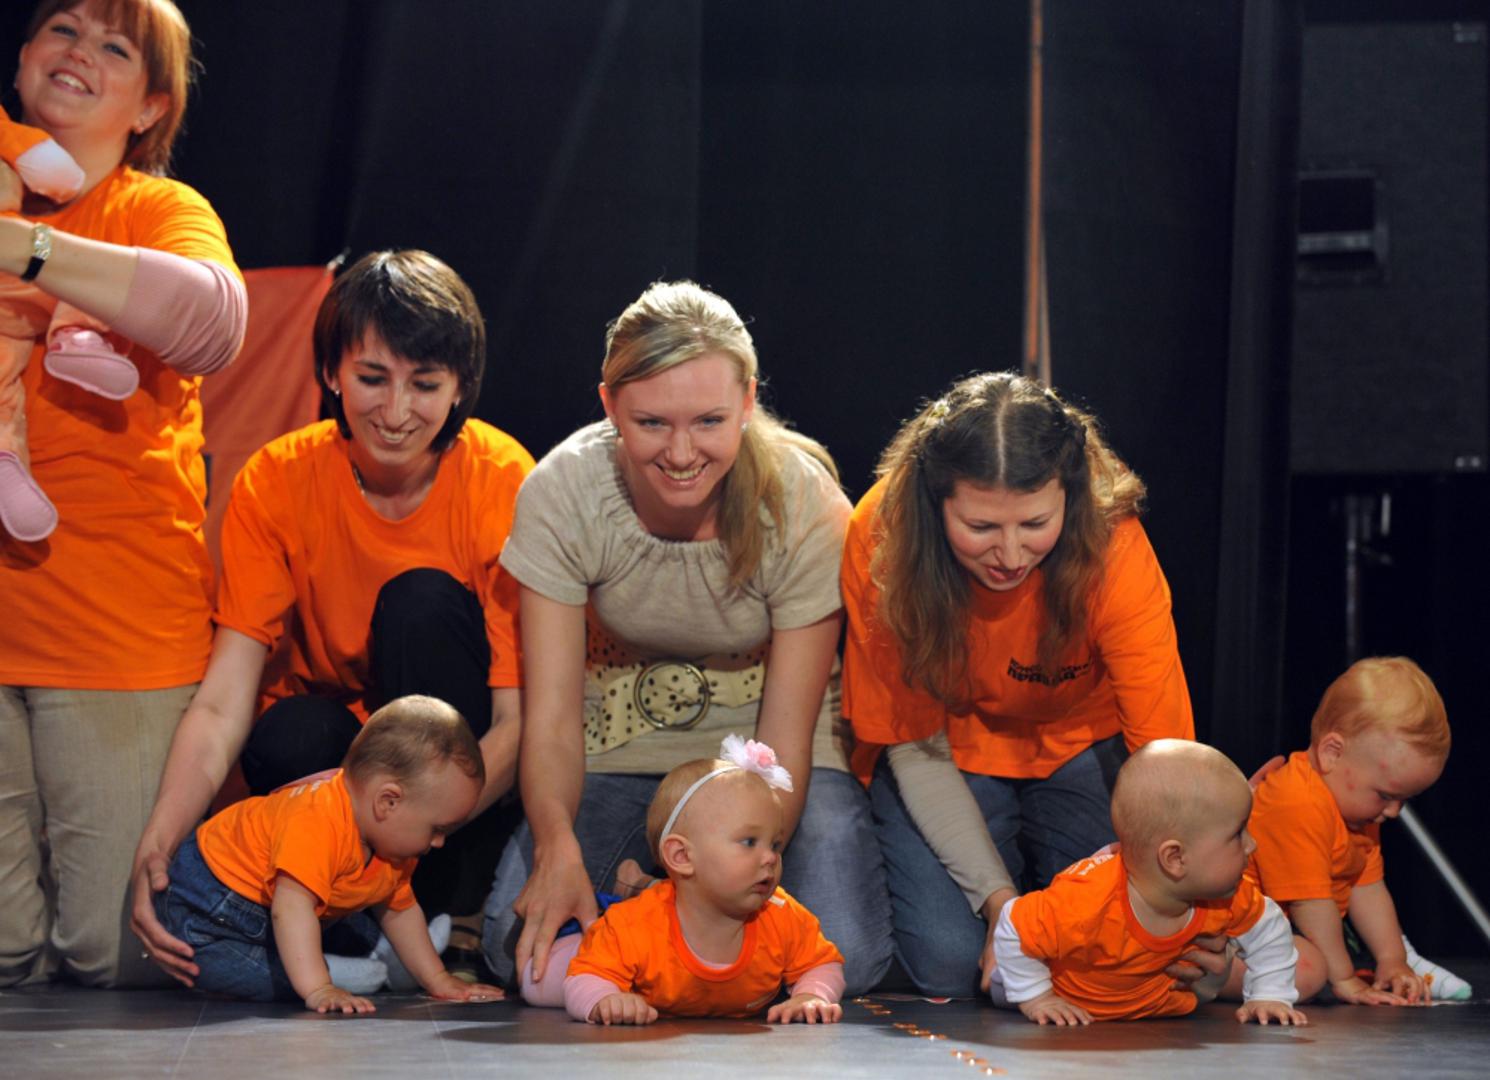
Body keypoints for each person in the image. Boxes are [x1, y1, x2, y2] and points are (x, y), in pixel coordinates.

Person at [130, 249, 534, 986]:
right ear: (330, 373)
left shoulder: (502, 480)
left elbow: (515, 722)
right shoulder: (278, 479)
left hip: (449, 792)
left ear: (460, 387)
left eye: (425, 384)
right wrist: (159, 837)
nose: (396, 411)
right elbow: (223, 701)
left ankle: (440, 912)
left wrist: (423, 826)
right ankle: (345, 925)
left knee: (420, 601)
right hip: (335, 788)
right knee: (291, 731)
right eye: (372, 378)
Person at [482, 280, 891, 996]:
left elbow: (785, 735)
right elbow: (550, 720)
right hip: (623, 742)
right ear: (609, 406)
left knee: (847, 953)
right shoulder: (563, 491)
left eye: (708, 421)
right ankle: (655, 920)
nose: (680, 452)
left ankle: (653, 925)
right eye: (650, 423)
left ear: (748, 401)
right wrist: (556, 847)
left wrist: (739, 871)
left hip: (764, 757)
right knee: (518, 949)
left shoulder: (802, 502)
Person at [0, 0, 248, 988]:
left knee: (115, 956)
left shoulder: (157, 210)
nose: (79, 55)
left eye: (114, 47)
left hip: (112, 636)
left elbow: (215, 324)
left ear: (150, 107)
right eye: (63, 30)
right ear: (24, 55)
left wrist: (21, 245)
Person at [841, 370, 1195, 998]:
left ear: (1070, 498)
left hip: (1083, 741)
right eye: (980, 528)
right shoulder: (882, 537)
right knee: (952, 963)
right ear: (934, 503)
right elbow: (915, 746)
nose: (1009, 554)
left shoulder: (1112, 537)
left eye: (1034, 523)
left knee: (1116, 950)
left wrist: (1185, 905)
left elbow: (1166, 756)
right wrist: (1004, 910)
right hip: (947, 753)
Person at [153, 695, 503, 1011]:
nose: (440, 842)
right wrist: (319, 988)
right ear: (388, 801)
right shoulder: (315, 819)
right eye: (437, 829)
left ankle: (383, 961)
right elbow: (291, 909)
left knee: (352, 918)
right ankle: (332, 970)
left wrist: (438, 979)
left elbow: (400, 910)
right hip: (207, 915)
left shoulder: (391, 842)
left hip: (286, 911)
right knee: (270, 974)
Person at [521, 736, 844, 1024]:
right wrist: (604, 999)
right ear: (681, 857)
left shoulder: (782, 914)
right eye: (749, 842)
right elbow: (587, 975)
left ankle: (640, 882)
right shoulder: (635, 925)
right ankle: (622, 898)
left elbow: (822, 963)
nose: (771, 857)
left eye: (774, 844)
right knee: (537, 982)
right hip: (620, 937)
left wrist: (811, 994)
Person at [991, 739, 1305, 1025]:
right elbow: (1014, 925)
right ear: (1175, 858)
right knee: (1006, 978)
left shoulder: (1226, 896)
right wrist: (1037, 998)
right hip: (1068, 999)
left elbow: (1270, 931)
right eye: (1237, 834)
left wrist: (1270, 995)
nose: (1252, 845)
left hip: (1150, 1010)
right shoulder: (1089, 901)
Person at [1243, 656, 1467, 1004]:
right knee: (1308, 969)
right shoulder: (1297, 801)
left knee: (1310, 961)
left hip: (1272, 935)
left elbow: (1368, 888)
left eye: (1404, 800)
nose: (1393, 812)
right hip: (1227, 935)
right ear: (1332, 753)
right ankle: (1201, 981)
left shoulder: (1356, 812)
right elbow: (1311, 904)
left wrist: (1393, 960)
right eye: (1386, 796)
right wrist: (1345, 979)